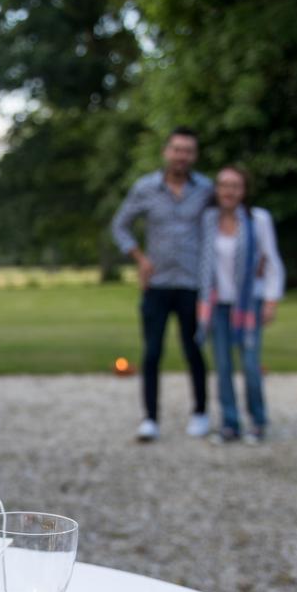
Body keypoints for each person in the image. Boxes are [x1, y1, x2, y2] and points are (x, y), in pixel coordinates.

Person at [110, 127, 213, 443]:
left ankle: (200, 412)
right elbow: (120, 226)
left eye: (188, 151)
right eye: (177, 149)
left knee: (194, 350)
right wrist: (140, 259)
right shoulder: (145, 188)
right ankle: (150, 418)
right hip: (156, 284)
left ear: (194, 155)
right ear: (166, 152)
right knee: (152, 352)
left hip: (192, 283)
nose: (182, 156)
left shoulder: (206, 190)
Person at [196, 164, 284, 445]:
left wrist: (271, 300)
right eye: (224, 185)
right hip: (217, 305)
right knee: (222, 367)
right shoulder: (208, 220)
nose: (229, 191)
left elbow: (272, 260)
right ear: (217, 189)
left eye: (235, 186)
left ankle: (257, 421)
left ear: (243, 191)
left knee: (250, 365)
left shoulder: (258, 219)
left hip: (248, 304)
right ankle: (230, 423)